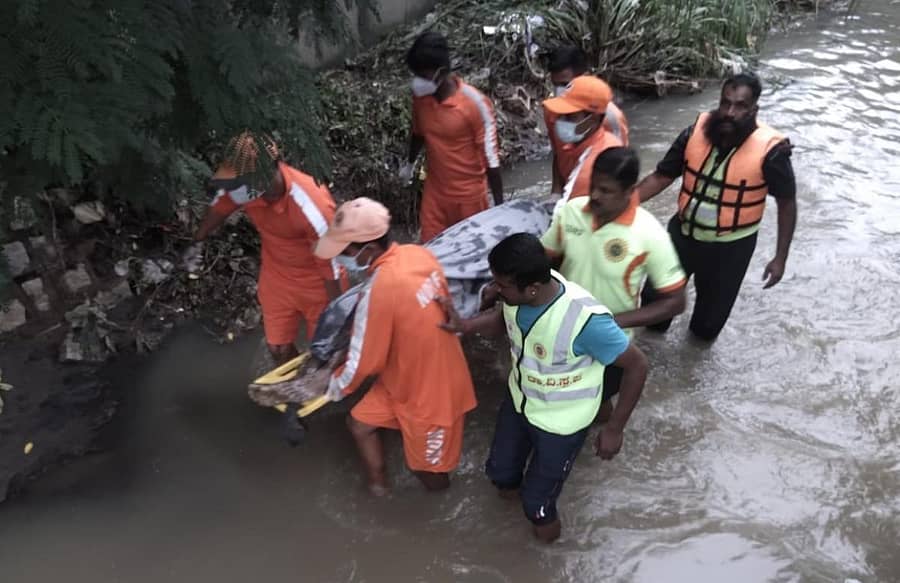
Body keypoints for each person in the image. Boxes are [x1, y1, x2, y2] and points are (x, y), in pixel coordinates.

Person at [439, 233, 648, 543]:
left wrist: (615, 428)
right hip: (521, 402)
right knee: (501, 474)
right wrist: (467, 326)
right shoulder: (519, 294)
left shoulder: (586, 321)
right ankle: (509, 523)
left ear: (532, 287)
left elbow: (637, 366)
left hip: (561, 424)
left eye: (502, 285)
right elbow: (504, 318)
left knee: (538, 505)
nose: (495, 289)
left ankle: (545, 557)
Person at [313, 197, 477, 495]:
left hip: (430, 397)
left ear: (369, 249)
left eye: (344, 252)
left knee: (426, 471)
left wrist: (327, 390)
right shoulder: (417, 254)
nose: (339, 259)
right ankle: (379, 488)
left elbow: (364, 363)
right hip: (404, 377)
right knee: (359, 423)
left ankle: (439, 503)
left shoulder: (380, 288)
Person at [637, 72, 798, 340]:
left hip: (730, 248)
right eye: (725, 103)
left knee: (705, 330)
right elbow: (661, 176)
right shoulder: (694, 133)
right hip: (683, 234)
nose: (730, 112)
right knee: (654, 311)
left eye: (740, 106)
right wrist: (620, 206)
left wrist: (780, 257)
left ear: (753, 109)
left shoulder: (773, 152)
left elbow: (786, 204)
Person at [542, 146, 686, 420]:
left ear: (629, 190)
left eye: (605, 191)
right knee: (557, 403)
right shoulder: (571, 212)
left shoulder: (648, 233)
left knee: (597, 405)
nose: (594, 195)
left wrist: (613, 322)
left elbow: (675, 302)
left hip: (609, 341)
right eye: (593, 186)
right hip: (562, 330)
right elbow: (546, 258)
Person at [184, 132, 344, 364]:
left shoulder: (312, 205)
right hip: (277, 275)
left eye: (239, 184)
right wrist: (197, 241)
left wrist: (336, 313)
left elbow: (332, 265)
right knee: (277, 348)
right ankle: (292, 383)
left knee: (326, 348)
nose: (234, 192)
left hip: (318, 281)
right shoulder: (242, 189)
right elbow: (219, 207)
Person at [401, 31, 503, 243]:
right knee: (431, 248)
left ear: (441, 71)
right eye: (415, 74)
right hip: (435, 195)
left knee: (473, 252)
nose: (418, 80)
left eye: (423, 74)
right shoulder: (421, 99)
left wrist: (501, 209)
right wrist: (409, 165)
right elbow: (418, 133)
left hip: (469, 198)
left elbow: (491, 159)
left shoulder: (475, 104)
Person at [545, 45, 630, 196]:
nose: (559, 92)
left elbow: (619, 168)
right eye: (555, 85)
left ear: (584, 77)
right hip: (568, 192)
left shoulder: (610, 117)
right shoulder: (552, 109)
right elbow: (558, 154)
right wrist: (555, 194)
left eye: (565, 84)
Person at [542, 75, 624, 212]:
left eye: (570, 116)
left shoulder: (590, 173)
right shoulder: (590, 143)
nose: (561, 121)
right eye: (561, 115)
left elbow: (572, 226)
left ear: (593, 119)